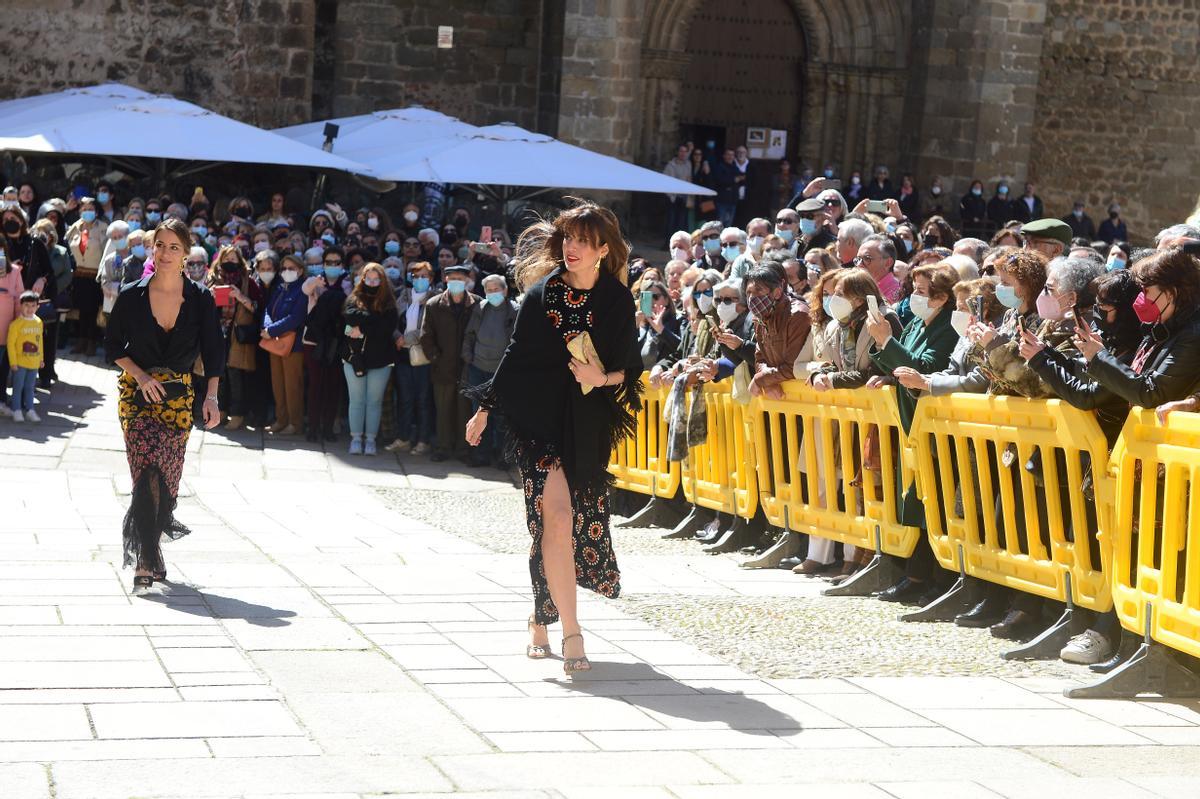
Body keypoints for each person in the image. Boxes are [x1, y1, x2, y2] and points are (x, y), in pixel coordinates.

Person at [464, 200, 641, 674]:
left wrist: (597, 377)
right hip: (538, 421)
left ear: (604, 249)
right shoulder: (543, 294)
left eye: (583, 240)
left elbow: (631, 371)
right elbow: (517, 354)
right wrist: (485, 407)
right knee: (556, 519)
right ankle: (571, 632)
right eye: (567, 238)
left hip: (586, 422)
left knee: (559, 524)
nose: (572, 248)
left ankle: (540, 614)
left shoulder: (617, 301)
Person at [104, 217, 223, 593]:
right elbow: (111, 348)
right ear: (151, 248)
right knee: (146, 471)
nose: (165, 252)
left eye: (174, 246)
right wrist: (140, 375)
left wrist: (212, 397)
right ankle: (145, 558)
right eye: (160, 245)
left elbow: (215, 351)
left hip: (179, 400)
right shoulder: (131, 295)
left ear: (186, 254)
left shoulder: (201, 299)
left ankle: (151, 547)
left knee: (167, 479)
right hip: (136, 396)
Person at [868, 261, 961, 602]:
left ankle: (937, 579)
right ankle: (918, 575)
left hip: (936, 430)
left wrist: (886, 342)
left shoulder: (949, 327)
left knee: (936, 503)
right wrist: (885, 363)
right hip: (913, 427)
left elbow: (924, 369)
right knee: (920, 501)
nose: (915, 298)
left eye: (922, 292)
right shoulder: (917, 324)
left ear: (941, 297)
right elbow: (899, 365)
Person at [422, 262, 479, 463]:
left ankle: (464, 450)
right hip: (443, 367)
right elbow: (426, 336)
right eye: (452, 279)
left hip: (467, 367)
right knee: (443, 410)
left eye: (460, 279)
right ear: (446, 280)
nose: (456, 282)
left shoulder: (476, 304)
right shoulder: (434, 304)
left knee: (464, 411)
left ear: (467, 281)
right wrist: (436, 358)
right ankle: (443, 447)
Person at [339, 262, 398, 456]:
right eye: (368, 278)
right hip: (354, 358)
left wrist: (363, 327)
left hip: (380, 359)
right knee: (356, 400)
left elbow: (386, 328)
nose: (372, 282)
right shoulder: (354, 298)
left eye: (376, 279)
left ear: (382, 280)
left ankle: (370, 439)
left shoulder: (389, 302)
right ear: (362, 278)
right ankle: (356, 438)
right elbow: (349, 316)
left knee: (374, 401)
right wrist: (372, 321)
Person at [462, 273, 519, 467]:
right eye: (489, 290)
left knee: (502, 416)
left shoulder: (515, 310)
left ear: (505, 290)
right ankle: (480, 455)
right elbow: (469, 334)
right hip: (478, 367)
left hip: (502, 372)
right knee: (478, 414)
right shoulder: (480, 308)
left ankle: (503, 457)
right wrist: (468, 356)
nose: (493, 293)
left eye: (496, 289)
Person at [387, 260, 436, 455]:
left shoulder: (434, 299)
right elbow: (392, 320)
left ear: (431, 279)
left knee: (423, 399)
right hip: (403, 355)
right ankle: (404, 438)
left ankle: (423, 440)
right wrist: (397, 336)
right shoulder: (403, 296)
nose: (420, 280)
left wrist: (406, 338)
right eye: (416, 276)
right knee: (405, 398)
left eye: (424, 276)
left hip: (423, 355)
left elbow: (428, 329)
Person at [210, 246, 262, 431]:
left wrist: (239, 296)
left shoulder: (248, 281)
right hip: (218, 332)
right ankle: (221, 411)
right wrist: (212, 295)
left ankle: (238, 414)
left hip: (238, 333)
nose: (230, 262)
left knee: (235, 375)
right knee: (219, 374)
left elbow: (257, 307)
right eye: (227, 259)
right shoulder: (214, 278)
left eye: (234, 259)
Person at [302, 247, 349, 443]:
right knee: (315, 386)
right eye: (328, 262)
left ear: (342, 265)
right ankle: (312, 427)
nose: (332, 266)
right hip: (314, 340)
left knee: (333, 386)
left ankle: (328, 428)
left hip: (336, 342)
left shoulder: (347, 285)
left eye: (336, 262)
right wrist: (317, 283)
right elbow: (305, 289)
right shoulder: (316, 281)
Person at [261, 253, 308, 435]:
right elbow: (268, 309)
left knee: (292, 385)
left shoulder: (302, 290)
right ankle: (281, 420)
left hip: (293, 345)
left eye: (292, 268)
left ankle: (295, 423)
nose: (287, 272)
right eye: (285, 268)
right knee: (278, 384)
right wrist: (266, 326)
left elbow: (296, 317)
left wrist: (271, 330)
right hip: (274, 343)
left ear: (300, 270)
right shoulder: (280, 288)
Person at [65, 197, 108, 355]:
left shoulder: (104, 228)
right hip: (79, 276)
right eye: (84, 209)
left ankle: (92, 342)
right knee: (81, 310)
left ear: (96, 211)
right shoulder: (75, 227)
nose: (87, 212)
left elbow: (106, 252)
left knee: (92, 310)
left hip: (95, 276)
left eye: (90, 209)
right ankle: (81, 341)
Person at [6, 291, 43, 422]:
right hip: (20, 363)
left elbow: (40, 341)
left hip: (33, 363)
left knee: (30, 387)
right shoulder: (16, 325)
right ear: (21, 306)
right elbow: (11, 345)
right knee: (18, 387)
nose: (29, 308)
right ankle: (16, 409)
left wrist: (41, 359)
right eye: (26, 305)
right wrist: (13, 362)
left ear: (37, 307)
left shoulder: (38, 322)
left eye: (33, 305)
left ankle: (30, 410)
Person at [662, 144, 693, 235]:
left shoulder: (688, 164)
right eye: (681, 151)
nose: (683, 153)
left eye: (685, 151)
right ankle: (667, 242)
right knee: (670, 221)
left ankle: (679, 243)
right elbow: (665, 180)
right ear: (677, 152)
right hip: (673, 197)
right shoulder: (670, 165)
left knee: (681, 222)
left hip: (684, 197)